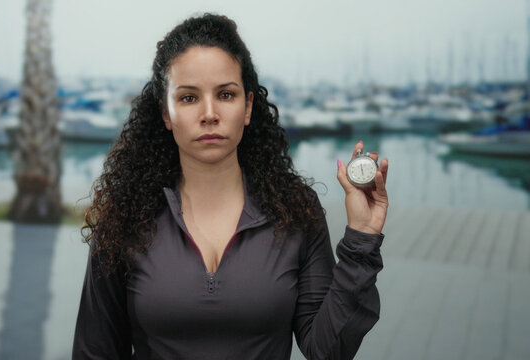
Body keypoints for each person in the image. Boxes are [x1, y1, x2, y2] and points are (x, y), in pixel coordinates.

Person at [72, 13, 389, 360]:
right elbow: (94, 352)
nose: (209, 113)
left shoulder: (297, 209)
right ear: (165, 112)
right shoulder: (125, 216)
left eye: (225, 94)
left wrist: (361, 239)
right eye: (189, 98)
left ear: (248, 106)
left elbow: (328, 350)